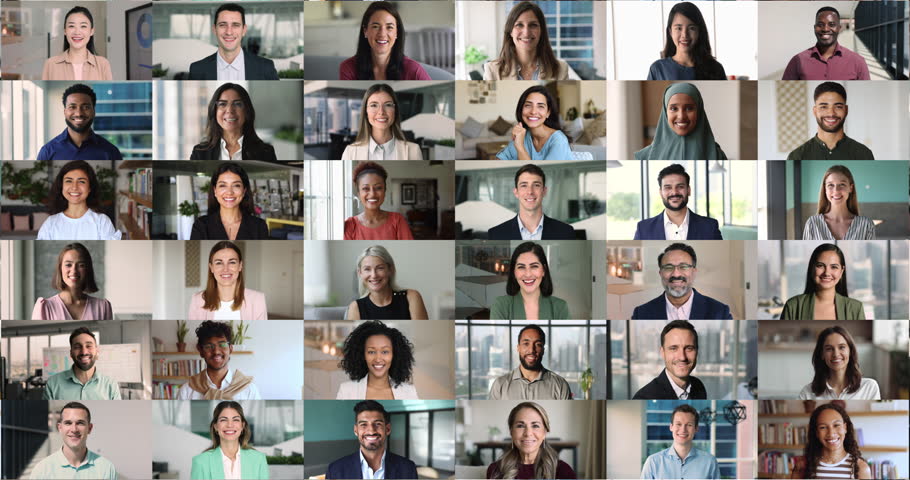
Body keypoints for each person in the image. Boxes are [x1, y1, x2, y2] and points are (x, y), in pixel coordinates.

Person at [631, 243, 732, 320]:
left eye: (683, 267)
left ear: (694, 272)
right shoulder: (641, 313)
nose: (676, 274)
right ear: (660, 273)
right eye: (668, 267)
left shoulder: (719, 312)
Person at [326, 400, 418, 480]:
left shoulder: (408, 468)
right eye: (363, 424)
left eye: (377, 424)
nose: (371, 431)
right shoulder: (335, 470)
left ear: (388, 429)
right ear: (356, 430)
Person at [339, 2, 430, 80]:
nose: (382, 34)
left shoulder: (414, 70)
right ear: (365, 31)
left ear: (397, 32)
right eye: (375, 26)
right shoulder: (348, 68)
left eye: (389, 27)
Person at [635, 83, 727, 160]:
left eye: (689, 108)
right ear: (665, 112)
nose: (681, 116)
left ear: (698, 111)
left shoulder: (717, 156)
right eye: (674, 108)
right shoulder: (644, 157)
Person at [188, 3, 279, 80]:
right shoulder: (197, 70)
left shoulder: (266, 68)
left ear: (244, 30)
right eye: (223, 25)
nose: (229, 32)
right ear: (214, 29)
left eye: (235, 25)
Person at [486, 402, 576, 479]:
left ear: (544, 432)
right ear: (511, 431)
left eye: (535, 425)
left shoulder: (563, 471)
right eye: (520, 426)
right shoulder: (495, 470)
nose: (528, 433)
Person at [190, 83, 278, 161]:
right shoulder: (199, 153)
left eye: (237, 104)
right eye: (222, 104)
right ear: (214, 110)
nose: (230, 110)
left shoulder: (265, 152)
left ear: (247, 111)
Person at [29, 402, 117, 479]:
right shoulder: (42, 470)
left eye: (80, 423)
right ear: (60, 428)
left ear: (89, 428)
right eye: (68, 423)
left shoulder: (106, 468)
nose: (74, 429)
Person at [483, 2, 569, 81]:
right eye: (519, 25)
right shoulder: (492, 70)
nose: (526, 32)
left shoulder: (560, 69)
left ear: (541, 31)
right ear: (510, 32)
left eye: (533, 25)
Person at [633, 164, 722, 240]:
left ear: (689, 190)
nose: (674, 192)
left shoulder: (710, 227)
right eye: (668, 187)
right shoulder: (643, 228)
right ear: (661, 193)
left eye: (680, 187)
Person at [487, 164, 576, 240]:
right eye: (524, 185)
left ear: (544, 191)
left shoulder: (566, 232)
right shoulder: (495, 234)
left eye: (536, 185)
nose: (530, 191)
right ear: (516, 192)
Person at [788, 82, 874, 160]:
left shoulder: (864, 154)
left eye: (838, 107)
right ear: (814, 111)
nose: (831, 113)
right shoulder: (797, 156)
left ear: (846, 110)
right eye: (823, 107)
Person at [37, 160, 121, 240]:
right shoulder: (50, 223)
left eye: (81, 181)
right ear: (61, 186)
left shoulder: (102, 222)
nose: (74, 187)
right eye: (69, 181)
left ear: (90, 187)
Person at [780, 243, 866, 320]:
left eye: (834, 267)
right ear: (812, 268)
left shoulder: (856, 308)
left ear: (841, 271)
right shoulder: (793, 306)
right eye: (820, 266)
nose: (827, 273)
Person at [178, 321, 262, 400]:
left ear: (231, 349)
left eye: (222, 344)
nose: (216, 351)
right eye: (209, 346)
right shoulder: (187, 390)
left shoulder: (249, 389)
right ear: (201, 351)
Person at [37, 83, 122, 160]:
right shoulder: (47, 152)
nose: (79, 113)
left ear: (94, 111)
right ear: (65, 112)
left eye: (86, 107)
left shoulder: (111, 152)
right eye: (72, 107)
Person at [782, 7, 870, 81]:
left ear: (839, 28)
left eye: (831, 24)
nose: (825, 29)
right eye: (820, 24)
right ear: (814, 28)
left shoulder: (858, 62)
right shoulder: (797, 61)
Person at [336, 320, 419, 399]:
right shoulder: (346, 390)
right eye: (371, 352)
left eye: (385, 352)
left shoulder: (409, 391)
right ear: (362, 355)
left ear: (394, 355)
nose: (378, 359)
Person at [188, 241, 268, 320]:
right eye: (219, 263)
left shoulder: (258, 299)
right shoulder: (197, 300)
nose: (225, 269)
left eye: (232, 262)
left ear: (240, 266)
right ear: (211, 267)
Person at [790, 403, 872, 480]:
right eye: (823, 427)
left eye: (836, 425)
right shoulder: (802, 466)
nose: (831, 433)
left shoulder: (861, 468)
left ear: (845, 428)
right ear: (816, 432)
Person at [647, 2, 726, 81]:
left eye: (691, 28)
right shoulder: (657, 69)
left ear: (699, 31)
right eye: (679, 28)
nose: (685, 35)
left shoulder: (716, 69)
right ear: (670, 32)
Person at [488, 325, 571, 400]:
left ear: (543, 350)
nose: (531, 350)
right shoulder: (500, 385)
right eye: (526, 343)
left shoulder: (560, 385)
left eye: (538, 344)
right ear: (518, 348)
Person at [32, 243, 113, 320]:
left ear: (88, 269)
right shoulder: (45, 307)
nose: (74, 271)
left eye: (81, 265)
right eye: (68, 265)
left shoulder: (103, 307)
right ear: (60, 268)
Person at [341, 84, 423, 160]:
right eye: (374, 105)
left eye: (388, 105)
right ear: (366, 111)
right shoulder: (350, 152)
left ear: (395, 110)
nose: (381, 112)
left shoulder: (413, 151)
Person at [346, 245, 428, 320]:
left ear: (390, 269)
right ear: (360, 273)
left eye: (380, 268)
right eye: (367, 269)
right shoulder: (355, 307)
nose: (374, 275)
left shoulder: (411, 297)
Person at [491, 242, 570, 320]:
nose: (528, 274)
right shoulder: (500, 305)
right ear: (514, 272)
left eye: (534, 266)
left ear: (543, 270)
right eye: (521, 267)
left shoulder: (560, 307)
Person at [191, 401, 269, 479]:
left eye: (235, 420)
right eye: (223, 420)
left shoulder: (258, 459)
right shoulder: (200, 462)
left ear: (242, 425)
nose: (230, 425)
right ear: (215, 426)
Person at [799, 326, 881, 400]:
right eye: (829, 349)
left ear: (850, 351)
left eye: (842, 347)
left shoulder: (869, 387)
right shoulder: (807, 393)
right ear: (822, 354)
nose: (836, 354)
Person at [191, 163, 269, 240]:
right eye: (223, 185)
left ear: (244, 191)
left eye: (236, 185)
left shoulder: (259, 226)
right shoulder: (201, 226)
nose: (229, 192)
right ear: (215, 191)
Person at [640, 404, 719, 479]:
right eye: (678, 424)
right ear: (671, 427)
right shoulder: (653, 462)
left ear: (696, 428)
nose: (683, 430)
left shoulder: (709, 462)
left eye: (689, 425)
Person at [633, 320, 707, 399]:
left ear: (697, 351)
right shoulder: (644, 396)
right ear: (662, 352)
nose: (682, 357)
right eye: (673, 348)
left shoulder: (698, 386)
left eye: (689, 348)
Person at [497, 86, 573, 161]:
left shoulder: (558, 140)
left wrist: (520, 147)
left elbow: (540, 173)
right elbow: (499, 160)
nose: (533, 112)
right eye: (528, 105)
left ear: (548, 113)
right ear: (521, 109)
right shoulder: (523, 134)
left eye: (540, 106)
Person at [44, 327, 121, 400]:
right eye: (77, 347)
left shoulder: (111, 385)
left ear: (97, 352)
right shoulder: (52, 384)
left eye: (89, 346)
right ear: (71, 353)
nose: (84, 352)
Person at [344, 162, 415, 240]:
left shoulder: (397, 220)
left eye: (378, 188)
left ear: (384, 191)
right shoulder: (350, 224)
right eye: (365, 188)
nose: (372, 194)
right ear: (359, 193)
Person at [803, 165, 875, 240]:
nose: (836, 190)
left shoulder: (866, 225)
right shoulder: (812, 224)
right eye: (830, 185)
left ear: (851, 188)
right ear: (825, 189)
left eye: (842, 185)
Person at [43, 6, 112, 80]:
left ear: (91, 31)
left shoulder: (103, 64)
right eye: (71, 26)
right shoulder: (50, 64)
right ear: (65, 31)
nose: (77, 32)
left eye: (83, 26)